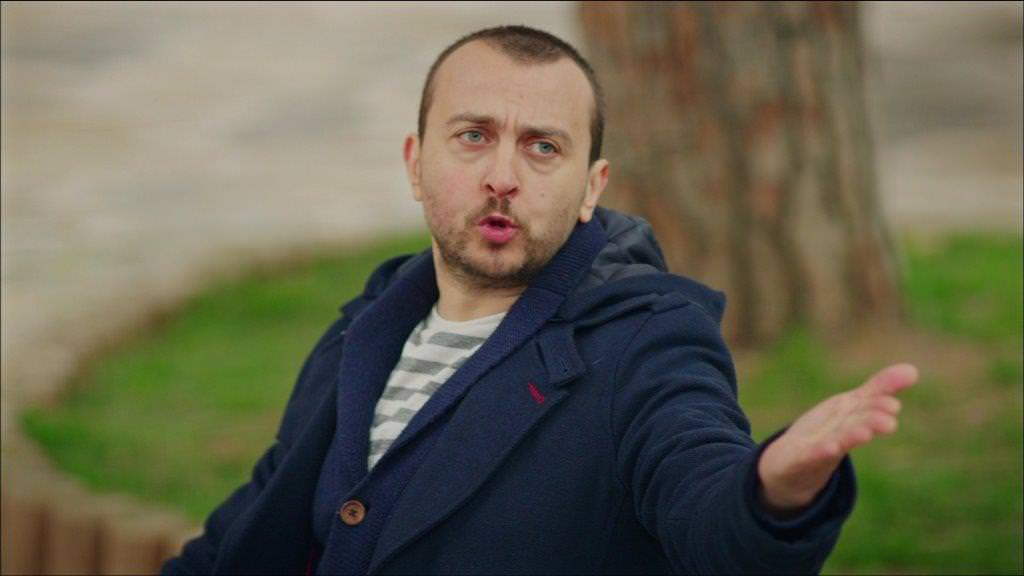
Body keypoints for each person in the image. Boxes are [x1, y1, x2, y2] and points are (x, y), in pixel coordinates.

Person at [162, 25, 917, 575]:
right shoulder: (366, 328)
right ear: (416, 163)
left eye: (543, 147)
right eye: (473, 136)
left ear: (591, 188)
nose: (503, 176)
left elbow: (703, 505)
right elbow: (249, 526)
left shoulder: (648, 344)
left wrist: (772, 491)